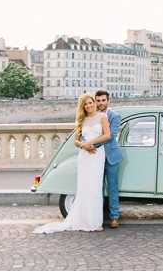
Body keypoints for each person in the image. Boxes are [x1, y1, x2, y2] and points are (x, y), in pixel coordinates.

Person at [33, 94, 110, 233]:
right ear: (83, 106)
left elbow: (107, 135)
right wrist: (84, 145)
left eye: (90, 103)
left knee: (95, 187)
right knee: (84, 187)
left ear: (94, 103)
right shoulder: (82, 120)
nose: (89, 105)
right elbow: (76, 140)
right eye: (85, 104)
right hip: (85, 155)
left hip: (97, 154)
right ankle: (84, 219)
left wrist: (90, 143)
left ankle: (94, 221)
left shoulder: (102, 117)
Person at [91, 89, 123, 228]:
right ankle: (97, 215)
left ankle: (114, 216)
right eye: (98, 100)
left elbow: (112, 135)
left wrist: (92, 143)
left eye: (103, 100)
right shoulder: (91, 116)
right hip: (95, 156)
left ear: (108, 101)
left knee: (112, 187)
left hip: (111, 156)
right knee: (97, 187)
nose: (101, 103)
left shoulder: (114, 115)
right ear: (95, 101)